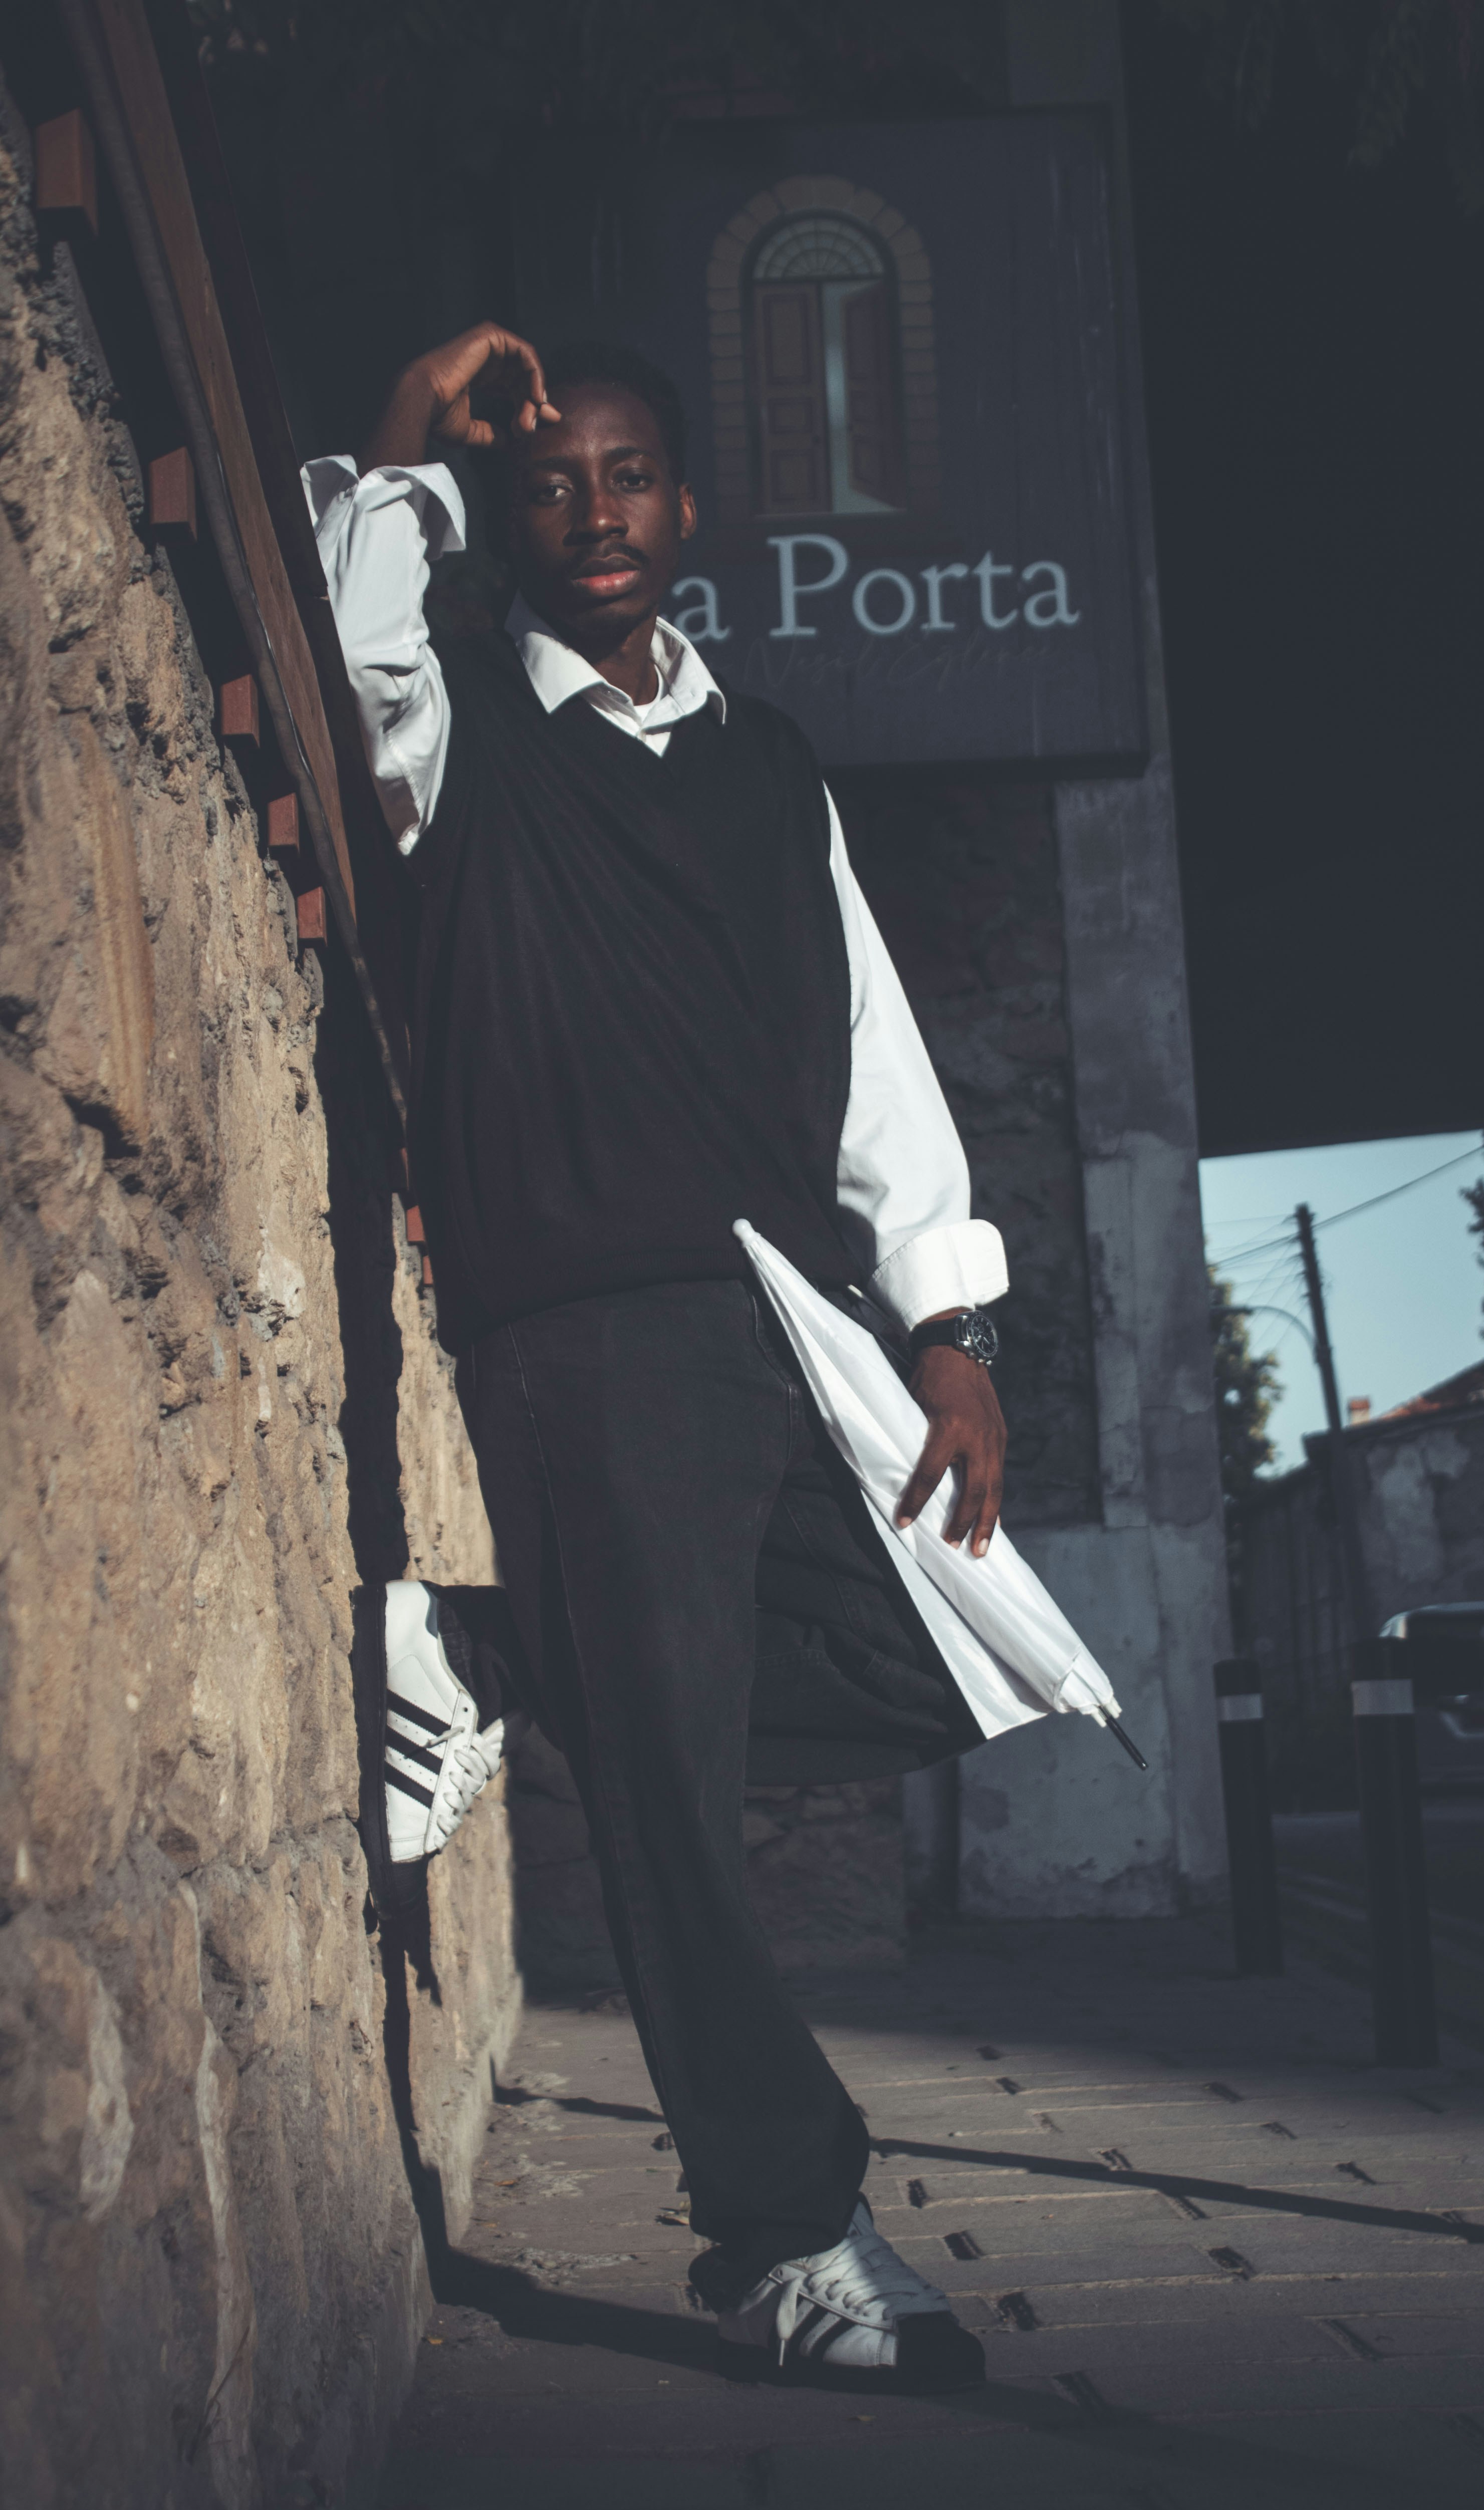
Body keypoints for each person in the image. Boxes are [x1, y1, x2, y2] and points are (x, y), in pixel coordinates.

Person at [306, 323, 1027, 2393]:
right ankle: (788, 2238)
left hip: (789, 1318)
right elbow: (358, 621)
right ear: (510, 521)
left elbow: (877, 1052)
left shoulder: (772, 761)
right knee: (680, 1818)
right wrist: (422, 422)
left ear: (688, 509)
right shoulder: (463, 731)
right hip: (584, 1329)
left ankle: (500, 1654)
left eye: (626, 475)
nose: (593, 511)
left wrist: (948, 1329)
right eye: (551, 483)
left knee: (934, 1658)